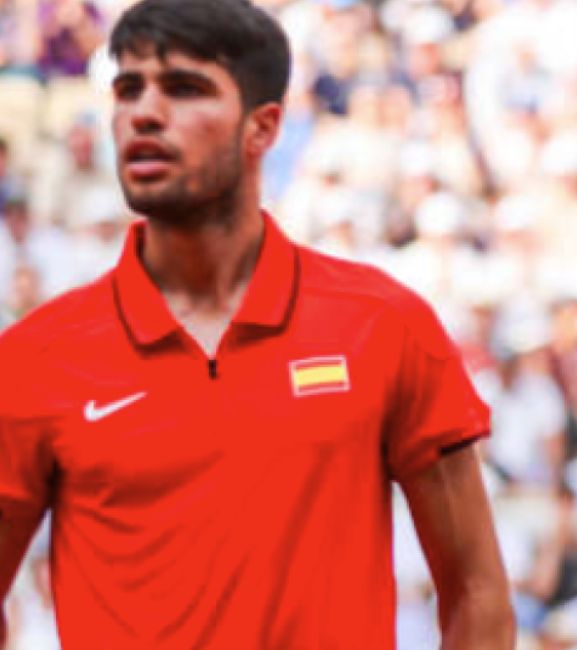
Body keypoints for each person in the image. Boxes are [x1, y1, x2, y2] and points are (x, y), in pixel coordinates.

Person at [0, 0, 514, 648]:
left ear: (263, 127)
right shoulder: (33, 359)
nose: (144, 113)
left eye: (185, 88)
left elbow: (477, 589)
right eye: (128, 89)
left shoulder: (385, 324)